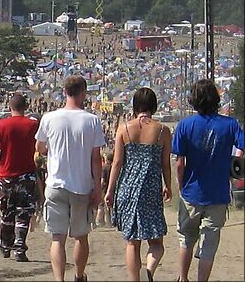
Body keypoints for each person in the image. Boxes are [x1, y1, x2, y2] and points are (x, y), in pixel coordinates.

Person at [171, 79, 245, 282]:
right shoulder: (230, 124)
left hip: (192, 192)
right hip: (218, 193)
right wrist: (236, 166)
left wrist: (181, 183)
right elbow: (242, 147)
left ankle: (183, 278)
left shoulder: (185, 125)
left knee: (186, 238)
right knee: (209, 243)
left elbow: (179, 162)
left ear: (194, 100)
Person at [35, 76, 106, 281]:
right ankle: (79, 274)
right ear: (83, 93)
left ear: (64, 92)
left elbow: (39, 147)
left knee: (57, 238)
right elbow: (95, 159)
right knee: (81, 236)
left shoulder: (49, 118)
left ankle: (59, 279)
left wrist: (50, 149)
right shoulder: (92, 120)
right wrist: (98, 188)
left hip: (56, 183)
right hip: (81, 185)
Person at [104, 87, 172, 281]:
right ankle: (148, 272)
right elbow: (165, 164)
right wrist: (168, 185)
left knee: (132, 242)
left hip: (128, 188)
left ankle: (136, 280)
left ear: (135, 106)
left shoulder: (124, 128)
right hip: (151, 189)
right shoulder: (163, 131)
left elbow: (116, 163)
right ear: (154, 106)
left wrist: (110, 190)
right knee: (156, 242)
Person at [0, 93, 41, 262]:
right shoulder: (33, 125)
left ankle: (5, 246)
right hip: (27, 175)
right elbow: (41, 145)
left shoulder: (2, 124)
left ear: (10, 107)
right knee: (24, 213)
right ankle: (20, 247)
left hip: (7, 175)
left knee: (7, 212)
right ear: (25, 107)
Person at [96, 153, 113, 228]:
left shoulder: (104, 168)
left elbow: (102, 180)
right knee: (110, 207)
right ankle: (110, 222)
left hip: (104, 188)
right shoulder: (113, 168)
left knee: (101, 206)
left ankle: (99, 222)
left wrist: (98, 187)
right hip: (112, 188)